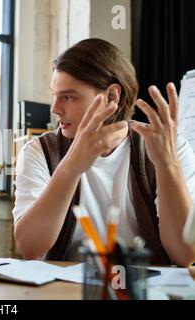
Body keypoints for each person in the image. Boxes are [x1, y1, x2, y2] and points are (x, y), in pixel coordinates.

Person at [13, 38, 195, 266]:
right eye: (55, 95)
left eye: (68, 97)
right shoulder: (38, 151)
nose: (55, 108)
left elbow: (185, 254)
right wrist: (70, 167)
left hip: (144, 289)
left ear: (112, 96)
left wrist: (167, 165)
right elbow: (29, 248)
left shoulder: (171, 146)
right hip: (65, 290)